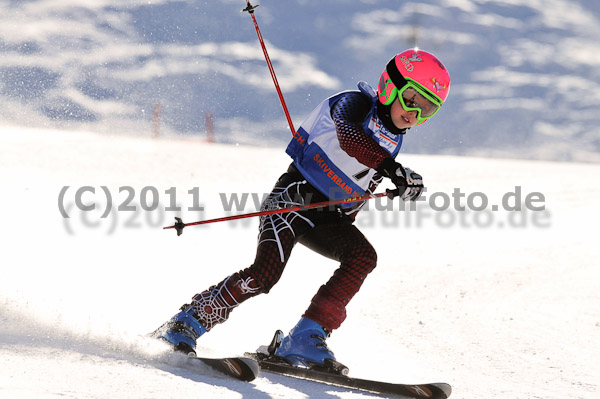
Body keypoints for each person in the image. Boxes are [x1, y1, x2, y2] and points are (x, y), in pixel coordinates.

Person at [152, 48, 451, 370]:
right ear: (391, 86)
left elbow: (360, 175)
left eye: (427, 109)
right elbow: (350, 138)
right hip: (292, 199)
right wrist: (392, 169)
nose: (415, 113)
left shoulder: (393, 137)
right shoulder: (354, 103)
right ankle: (186, 322)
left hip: (327, 215)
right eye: (411, 99)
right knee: (264, 276)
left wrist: (399, 185)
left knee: (362, 257)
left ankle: (306, 336)